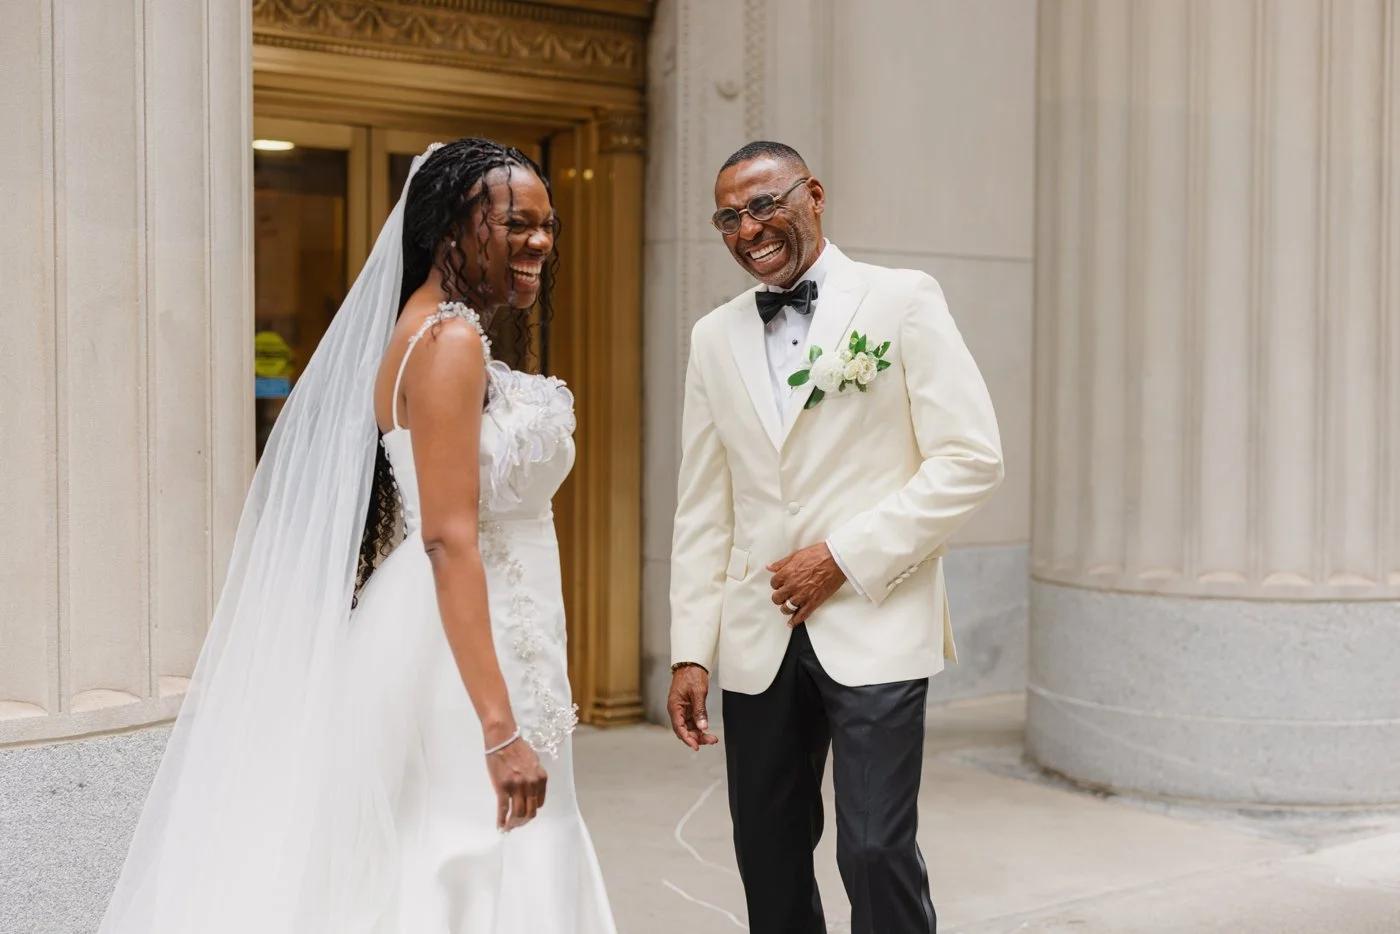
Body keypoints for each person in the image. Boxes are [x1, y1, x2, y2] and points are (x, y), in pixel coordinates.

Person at [98, 139, 617, 933]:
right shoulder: (449, 343)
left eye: (548, 225)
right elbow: (448, 539)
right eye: (518, 223)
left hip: (481, 622)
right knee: (476, 844)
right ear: (451, 226)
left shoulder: (428, 331)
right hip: (471, 643)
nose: (540, 241)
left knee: (449, 841)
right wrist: (499, 727)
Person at [666, 140, 1004, 934]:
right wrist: (691, 647)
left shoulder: (903, 299)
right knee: (767, 848)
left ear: (813, 194)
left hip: (877, 615)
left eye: (763, 205)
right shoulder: (712, 337)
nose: (748, 229)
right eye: (728, 218)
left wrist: (842, 557)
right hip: (757, 631)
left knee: (876, 849)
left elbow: (971, 459)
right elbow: (702, 505)